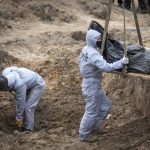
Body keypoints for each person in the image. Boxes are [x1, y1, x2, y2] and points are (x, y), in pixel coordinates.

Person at [79, 29, 129, 142]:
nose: (100, 41)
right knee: (91, 111)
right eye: (97, 39)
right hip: (91, 85)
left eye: (100, 38)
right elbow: (106, 67)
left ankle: (96, 126)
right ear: (92, 40)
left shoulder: (86, 49)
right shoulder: (93, 54)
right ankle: (84, 135)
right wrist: (121, 62)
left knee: (106, 104)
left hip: (91, 83)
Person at [0, 66, 45, 132]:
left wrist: (19, 119)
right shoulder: (5, 73)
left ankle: (28, 129)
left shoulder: (19, 85)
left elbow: (20, 103)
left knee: (28, 107)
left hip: (37, 84)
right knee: (24, 103)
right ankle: (25, 121)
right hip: (27, 81)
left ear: (6, 87)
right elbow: (12, 68)